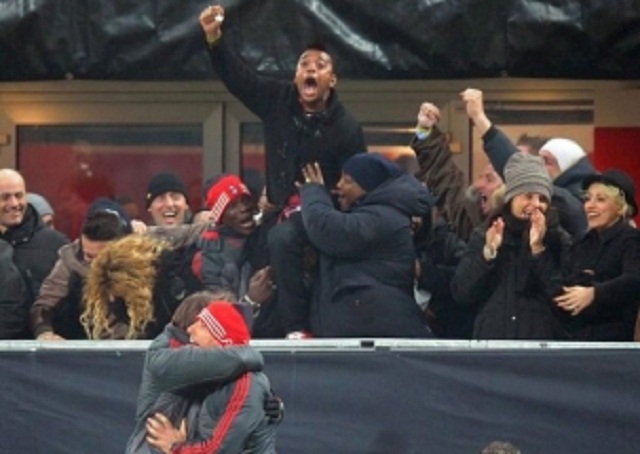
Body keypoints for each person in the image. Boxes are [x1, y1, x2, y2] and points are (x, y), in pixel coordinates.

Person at [199, 5, 367, 338]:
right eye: (304, 64)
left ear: (331, 81)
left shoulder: (346, 127)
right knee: (267, 256)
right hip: (277, 211)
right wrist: (214, 37)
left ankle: (298, 329)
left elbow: (358, 180)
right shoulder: (277, 99)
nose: (311, 69)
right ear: (295, 76)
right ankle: (267, 335)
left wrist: (335, 203)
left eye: (320, 66)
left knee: (285, 239)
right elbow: (239, 78)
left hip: (323, 218)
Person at [300, 153, 434, 337]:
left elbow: (325, 228)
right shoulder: (373, 214)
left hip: (384, 334)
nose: (339, 185)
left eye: (348, 181)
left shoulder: (385, 218)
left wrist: (314, 191)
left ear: (368, 186)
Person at [125, 291, 276, 454]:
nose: (193, 329)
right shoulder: (168, 355)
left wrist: (270, 404)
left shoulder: (239, 380)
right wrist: (249, 353)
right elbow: (239, 359)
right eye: (203, 321)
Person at [451, 153, 571, 339]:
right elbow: (462, 293)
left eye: (542, 198)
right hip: (493, 345)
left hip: (541, 347)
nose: (536, 204)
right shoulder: (485, 234)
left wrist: (538, 251)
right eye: (528, 196)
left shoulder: (559, 239)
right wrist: (488, 254)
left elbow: (563, 300)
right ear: (511, 198)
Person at [461, 88, 590, 238]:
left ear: (568, 167)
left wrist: (480, 119)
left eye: (546, 161)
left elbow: (516, 168)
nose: (538, 166)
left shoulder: (574, 205)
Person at [30, 198, 133, 340]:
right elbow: (43, 305)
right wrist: (44, 332)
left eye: (100, 258)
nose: (93, 264)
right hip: (84, 344)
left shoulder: (143, 259)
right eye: (88, 256)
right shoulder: (70, 258)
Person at [555, 169, 640, 341]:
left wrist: (595, 293)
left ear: (620, 207)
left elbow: (635, 278)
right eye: (588, 199)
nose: (590, 206)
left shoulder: (630, 239)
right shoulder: (582, 242)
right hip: (575, 338)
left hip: (613, 344)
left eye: (600, 199)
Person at [411, 101, 497, 241]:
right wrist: (425, 132)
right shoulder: (474, 225)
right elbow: (445, 179)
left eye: (489, 179)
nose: (479, 184)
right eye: (482, 177)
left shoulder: (532, 233)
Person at [0, 169, 69, 339]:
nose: (14, 203)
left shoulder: (56, 244)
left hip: (44, 354)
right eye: (5, 197)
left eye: (19, 195)